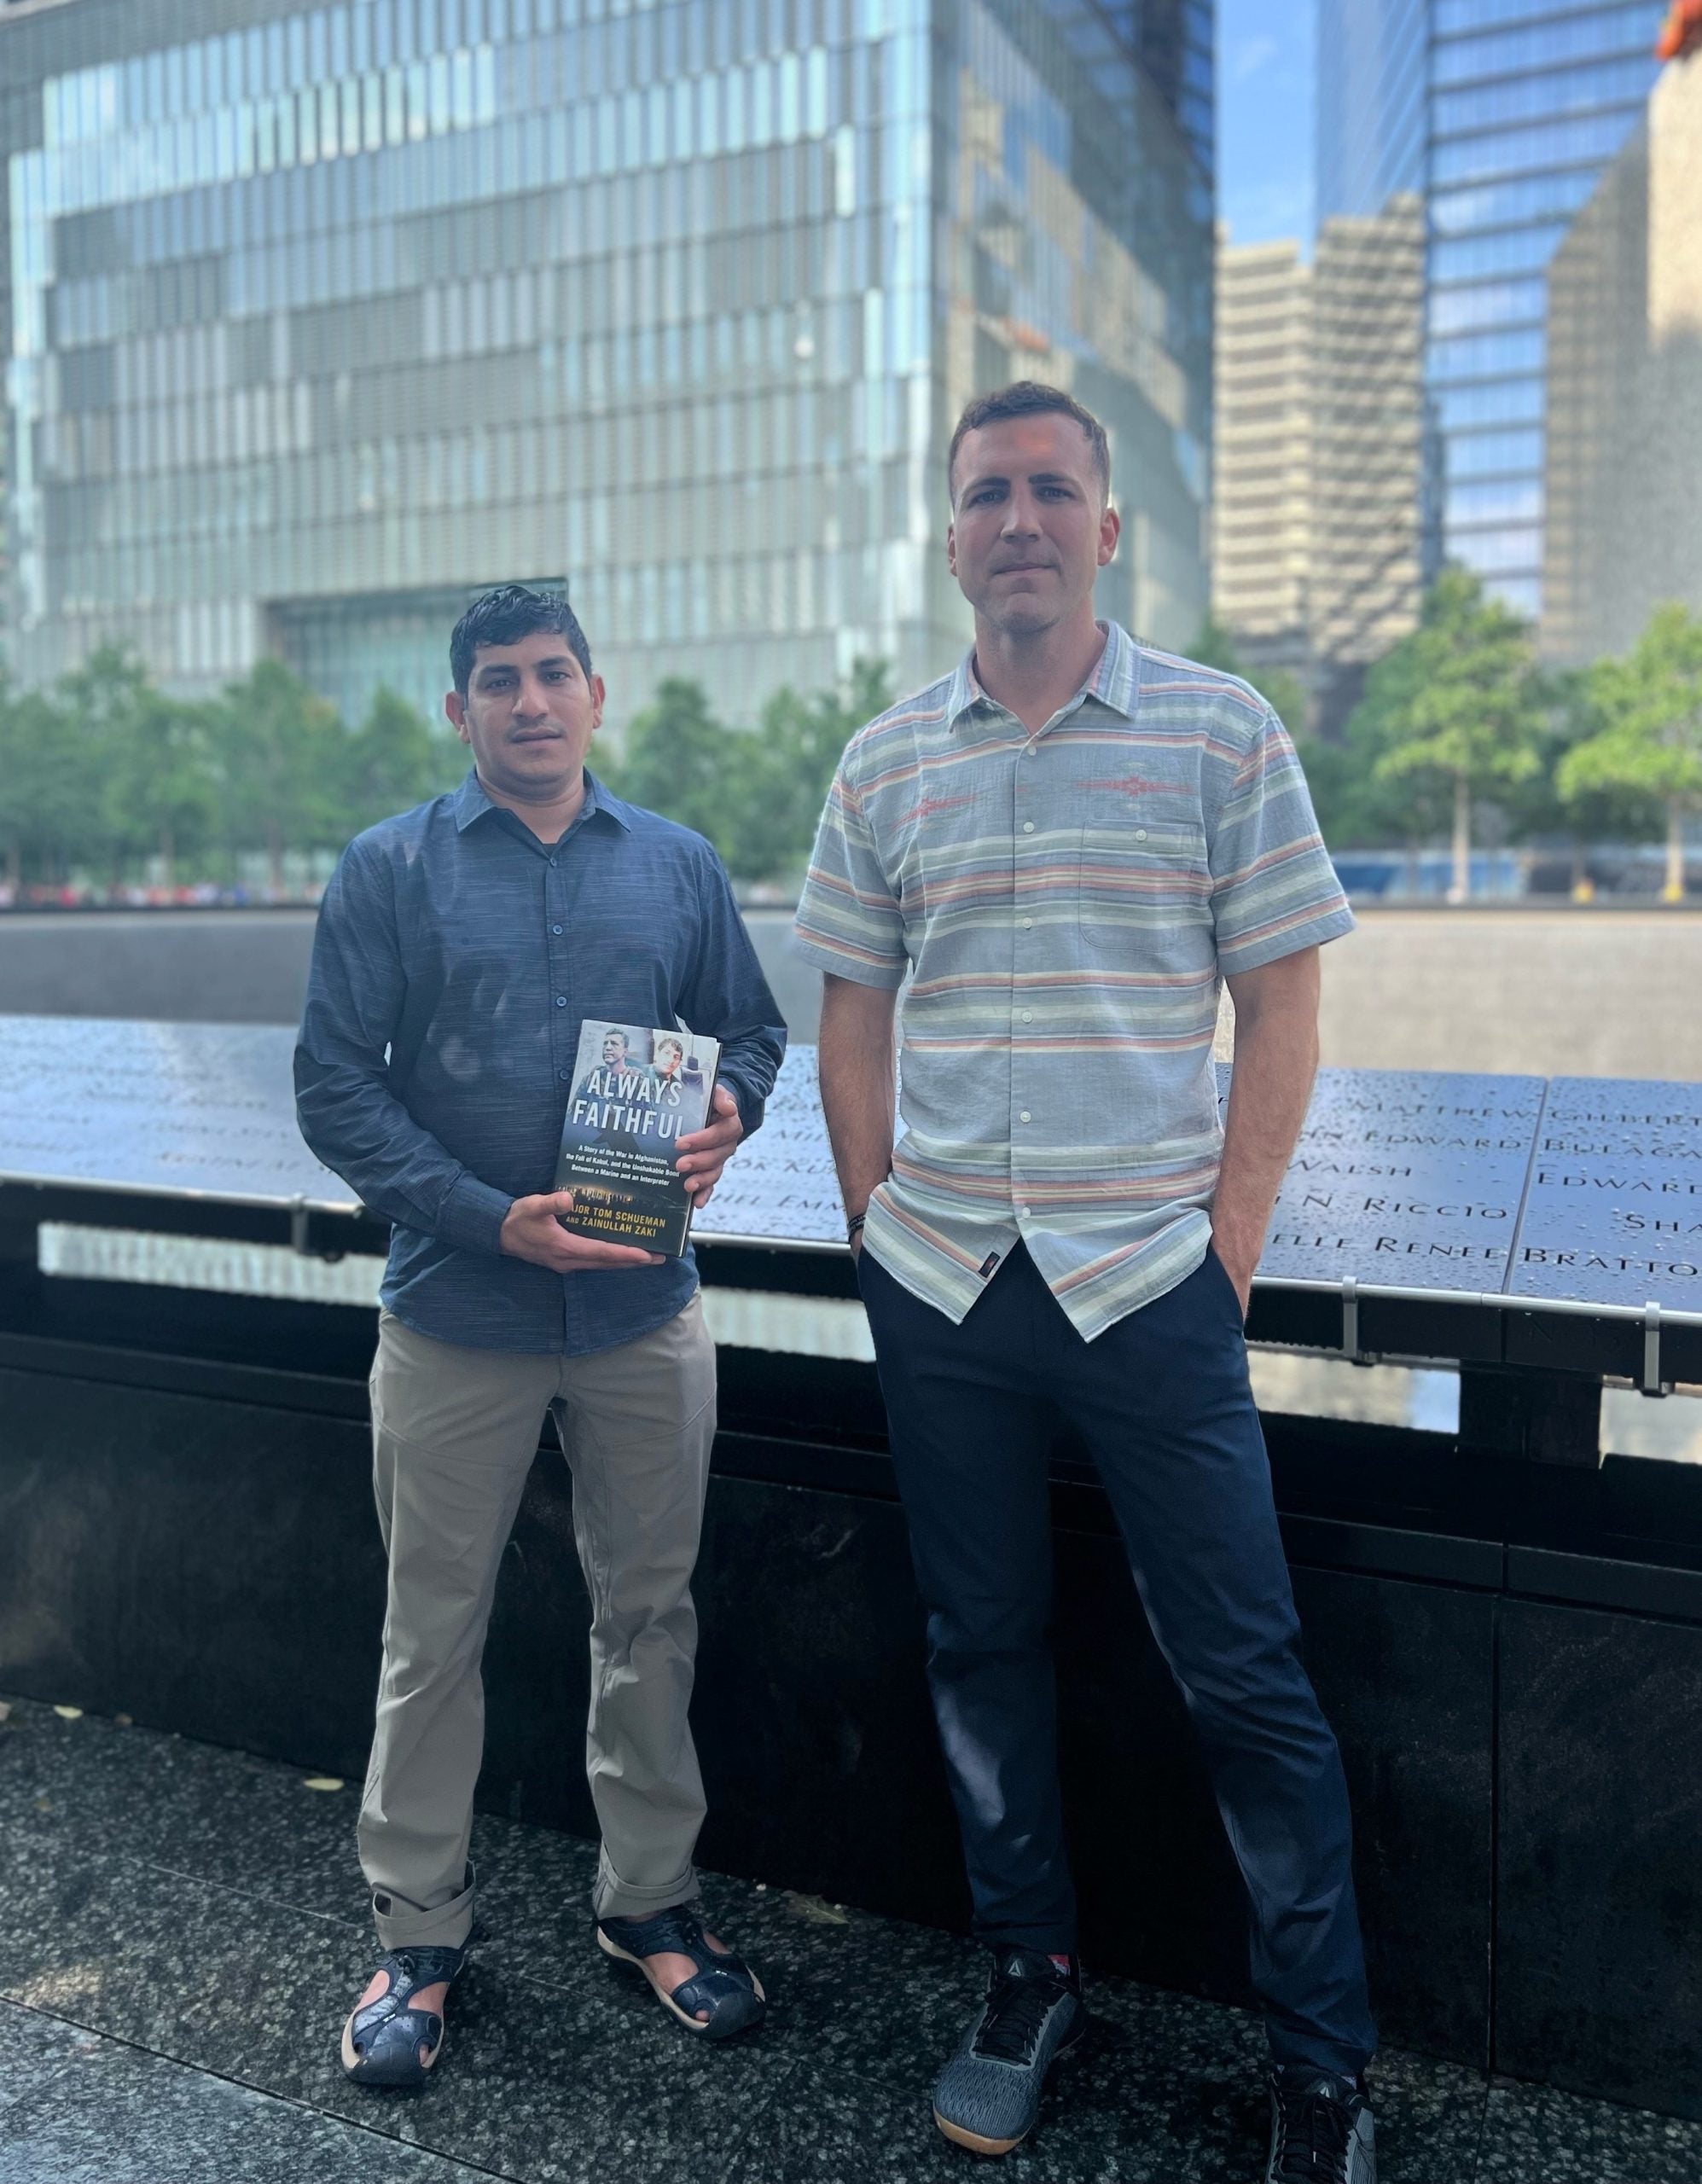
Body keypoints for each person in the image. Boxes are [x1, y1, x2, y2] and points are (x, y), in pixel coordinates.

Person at [793, 384, 1378, 2183]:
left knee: (1246, 1672)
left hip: (1152, 1283)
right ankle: (1029, 1970)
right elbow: (852, 1016)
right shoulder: (887, 761)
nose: (1021, 518)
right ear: (951, 536)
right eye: (989, 494)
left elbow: (1283, 995)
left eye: (1056, 489)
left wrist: (1234, 1240)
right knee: (979, 1648)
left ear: (1108, 529)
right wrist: (881, 1222)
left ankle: (1324, 2058)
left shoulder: (1219, 732)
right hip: (947, 1284)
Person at [296, 584, 787, 2087]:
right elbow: (335, 1090)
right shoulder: (388, 870)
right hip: (457, 1311)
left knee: (649, 1615)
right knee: (428, 1634)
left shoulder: (683, 869)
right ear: (459, 710)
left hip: (643, 1313)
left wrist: (730, 1115)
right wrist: (483, 1213)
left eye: (552, 674)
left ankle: (648, 1904)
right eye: (497, 680)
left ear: (595, 693)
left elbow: (754, 1034)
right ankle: (417, 1940)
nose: (528, 701)